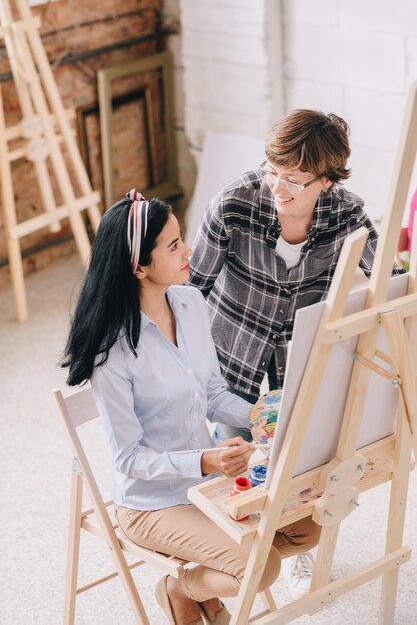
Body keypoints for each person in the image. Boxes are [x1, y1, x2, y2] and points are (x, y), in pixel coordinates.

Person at [61, 190, 321, 625]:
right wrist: (205, 460)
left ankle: (194, 582)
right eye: (174, 246)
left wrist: (273, 414)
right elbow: (130, 459)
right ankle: (180, 588)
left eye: (182, 239)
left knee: (306, 526)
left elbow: (214, 395)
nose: (190, 252)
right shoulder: (112, 354)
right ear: (138, 266)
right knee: (262, 567)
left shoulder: (191, 303)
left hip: (204, 489)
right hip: (150, 505)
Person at [188, 109, 403, 600]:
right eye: (272, 171)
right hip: (233, 349)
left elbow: (390, 281)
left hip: (300, 358)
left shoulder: (347, 213)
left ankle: (294, 549)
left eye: (294, 180)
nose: (277, 188)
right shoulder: (235, 203)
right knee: (236, 456)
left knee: (299, 461)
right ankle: (230, 559)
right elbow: (190, 289)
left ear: (325, 182)